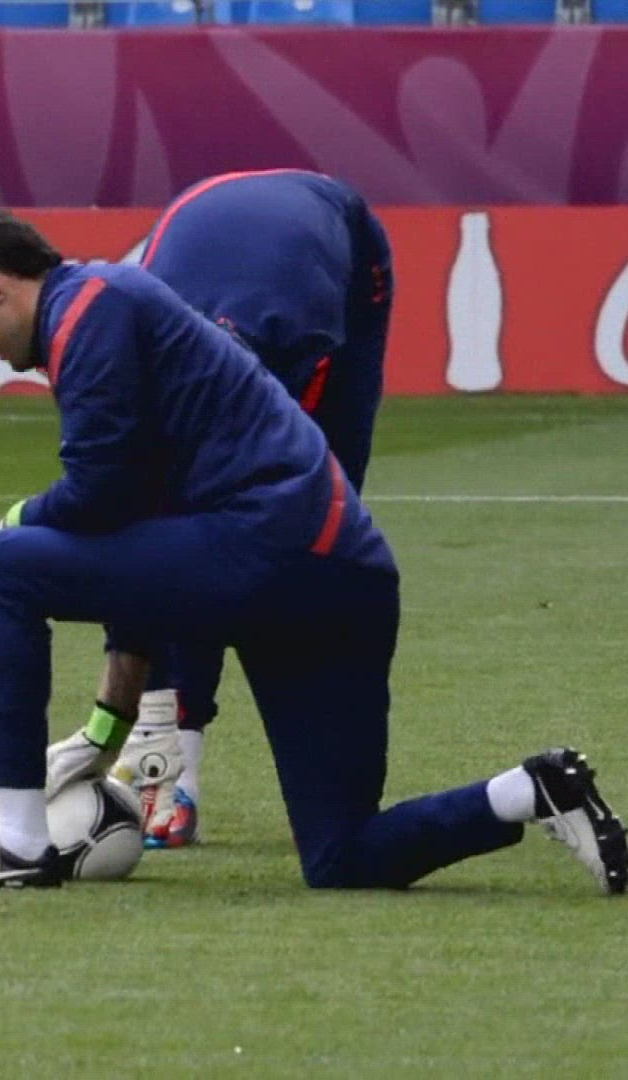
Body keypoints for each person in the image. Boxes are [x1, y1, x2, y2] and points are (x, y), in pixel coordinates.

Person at [0, 211, 628, 894]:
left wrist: (17, 518)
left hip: (263, 550)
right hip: (343, 573)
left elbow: (102, 495)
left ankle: (18, 846)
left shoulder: (87, 311)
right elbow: (135, 536)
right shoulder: (110, 301)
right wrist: (106, 729)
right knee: (343, 855)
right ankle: (532, 790)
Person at [112, 168, 396, 850]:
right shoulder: (121, 370)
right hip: (205, 209)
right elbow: (133, 550)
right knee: (165, 533)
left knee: (317, 516)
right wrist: (138, 726)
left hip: (341, 251)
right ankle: (171, 772)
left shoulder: (292, 348)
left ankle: (326, 758)